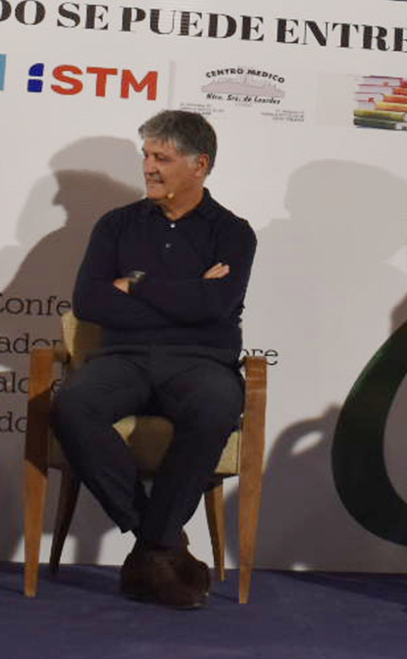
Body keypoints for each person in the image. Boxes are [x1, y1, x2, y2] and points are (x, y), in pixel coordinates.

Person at [50, 109, 257, 610]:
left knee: (214, 406)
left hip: (201, 362)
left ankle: (150, 552)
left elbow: (216, 307)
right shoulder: (116, 225)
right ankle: (162, 544)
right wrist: (186, 295)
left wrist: (137, 283)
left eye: (161, 158)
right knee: (72, 405)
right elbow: (91, 303)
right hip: (124, 357)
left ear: (199, 164)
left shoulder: (233, 233)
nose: (149, 167)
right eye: (146, 155)